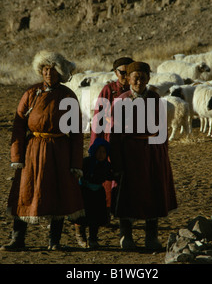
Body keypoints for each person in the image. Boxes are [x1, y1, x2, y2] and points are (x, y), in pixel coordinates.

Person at [1, 50, 85, 251]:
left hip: (59, 151)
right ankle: (17, 239)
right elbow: (19, 125)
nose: (48, 73)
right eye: (45, 69)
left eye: (52, 69)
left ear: (60, 72)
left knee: (59, 193)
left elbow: (76, 132)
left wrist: (75, 164)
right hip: (33, 150)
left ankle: (54, 242)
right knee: (25, 191)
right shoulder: (31, 93)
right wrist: (17, 156)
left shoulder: (68, 96)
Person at [109, 61, 177, 250]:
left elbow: (162, 130)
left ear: (148, 79)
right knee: (128, 194)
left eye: (143, 77)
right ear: (129, 79)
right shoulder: (121, 101)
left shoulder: (156, 99)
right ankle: (126, 236)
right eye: (135, 77)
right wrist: (117, 161)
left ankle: (151, 236)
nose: (139, 81)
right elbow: (114, 134)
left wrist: (161, 156)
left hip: (152, 154)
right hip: (129, 154)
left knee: (152, 191)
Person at [90, 57, 134, 220]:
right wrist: (96, 145)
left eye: (129, 72)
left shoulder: (138, 91)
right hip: (111, 139)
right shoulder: (108, 90)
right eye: (123, 72)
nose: (126, 76)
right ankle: (109, 209)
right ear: (115, 73)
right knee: (110, 176)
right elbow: (98, 120)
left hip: (131, 142)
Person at [73, 138, 113, 249]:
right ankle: (80, 236)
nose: (101, 154)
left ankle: (93, 238)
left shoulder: (106, 165)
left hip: (98, 194)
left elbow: (110, 176)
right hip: (85, 192)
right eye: (98, 151)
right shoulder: (86, 162)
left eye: (104, 152)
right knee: (82, 216)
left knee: (95, 217)